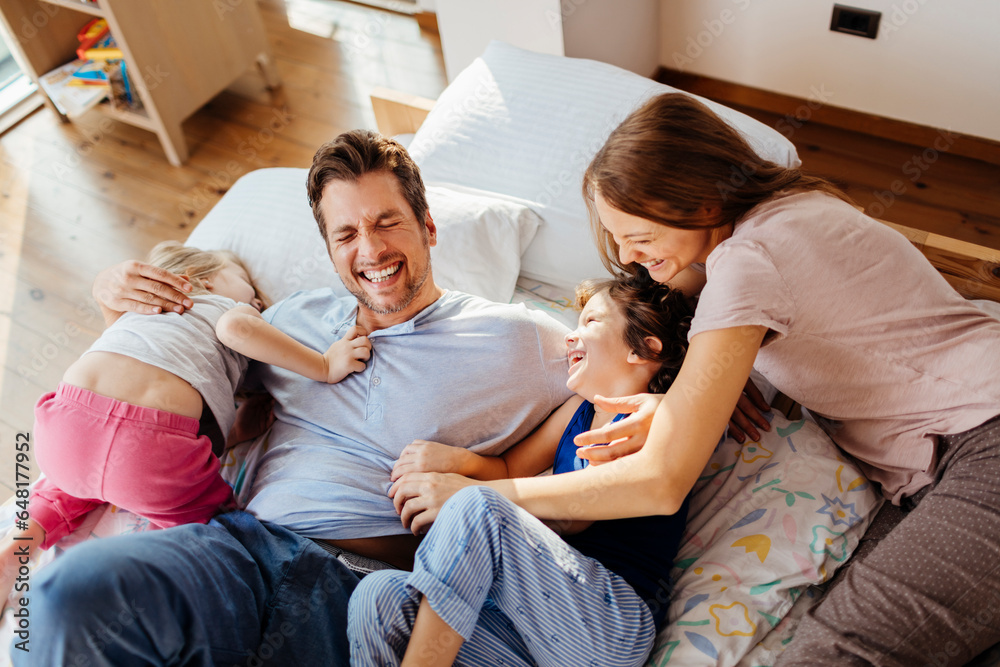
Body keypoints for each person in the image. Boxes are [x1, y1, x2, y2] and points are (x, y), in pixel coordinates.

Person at [391, 93, 1000, 667]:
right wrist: (699, 386)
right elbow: (669, 303)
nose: (629, 257)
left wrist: (479, 501)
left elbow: (659, 481)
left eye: (640, 237)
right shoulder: (776, 219)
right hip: (932, 462)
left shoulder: (747, 262)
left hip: (984, 435)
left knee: (836, 650)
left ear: (701, 202)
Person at [15, 130, 573, 666]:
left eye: (388, 223)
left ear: (427, 227)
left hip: (353, 592)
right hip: (235, 554)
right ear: (330, 251)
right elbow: (152, 386)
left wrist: (493, 469)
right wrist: (110, 299)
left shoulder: (511, 338)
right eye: (347, 234)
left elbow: (619, 377)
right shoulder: (287, 320)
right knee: (63, 596)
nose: (371, 248)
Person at [0, 240, 375, 602]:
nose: (258, 301)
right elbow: (238, 331)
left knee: (65, 485)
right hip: (148, 451)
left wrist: (236, 429)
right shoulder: (223, 305)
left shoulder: (137, 314)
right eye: (249, 287)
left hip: (63, 425)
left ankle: (22, 541)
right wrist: (324, 365)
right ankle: (135, 591)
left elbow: (131, 383)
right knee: (220, 532)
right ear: (204, 278)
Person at [348, 274, 693, 666]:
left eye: (592, 322)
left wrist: (462, 498)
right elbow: (512, 467)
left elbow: (571, 518)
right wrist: (457, 461)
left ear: (644, 347)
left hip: (606, 624)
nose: (571, 336)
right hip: (531, 631)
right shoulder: (579, 410)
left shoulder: (651, 422)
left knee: (477, 505)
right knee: (379, 598)